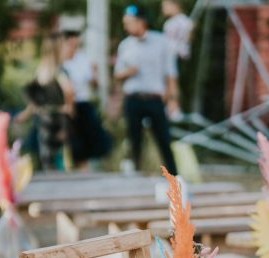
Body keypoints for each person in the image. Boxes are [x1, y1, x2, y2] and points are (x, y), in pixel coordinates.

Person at [114, 4, 178, 174]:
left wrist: (172, 100)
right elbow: (117, 75)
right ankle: (136, 175)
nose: (126, 26)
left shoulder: (161, 42)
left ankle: (175, 180)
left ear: (141, 22)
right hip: (133, 98)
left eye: (129, 22)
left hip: (155, 98)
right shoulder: (125, 45)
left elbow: (171, 74)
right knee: (134, 140)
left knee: (164, 139)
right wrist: (129, 72)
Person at [15, 34, 74, 171]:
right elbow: (69, 90)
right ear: (58, 50)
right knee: (61, 156)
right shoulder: (60, 71)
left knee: (46, 156)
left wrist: (25, 115)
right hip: (59, 119)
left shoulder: (41, 72)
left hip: (44, 120)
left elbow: (35, 100)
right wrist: (69, 106)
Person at [62, 30, 112, 169]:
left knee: (85, 141)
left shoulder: (83, 59)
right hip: (65, 106)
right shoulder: (60, 62)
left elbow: (94, 84)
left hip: (82, 104)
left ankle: (84, 168)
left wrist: (95, 75)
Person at [162, 0, 194, 116]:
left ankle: (175, 108)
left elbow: (188, 37)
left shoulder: (183, 21)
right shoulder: (171, 22)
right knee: (168, 81)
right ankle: (170, 107)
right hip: (170, 55)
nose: (163, 9)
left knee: (172, 81)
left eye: (165, 6)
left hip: (176, 55)